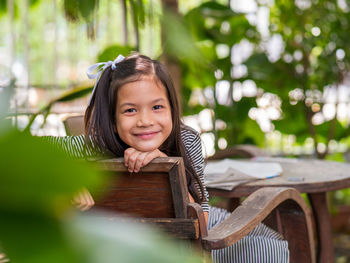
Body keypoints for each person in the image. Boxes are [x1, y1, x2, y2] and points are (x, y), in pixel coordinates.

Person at [47, 53, 289, 262]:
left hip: (189, 230)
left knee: (266, 239)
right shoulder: (94, 145)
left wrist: (165, 163)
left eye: (157, 107)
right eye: (130, 110)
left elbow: (201, 215)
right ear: (112, 118)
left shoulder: (186, 140)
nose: (145, 121)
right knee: (266, 247)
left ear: (172, 108)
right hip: (157, 247)